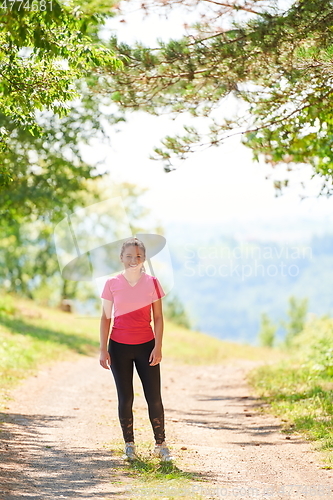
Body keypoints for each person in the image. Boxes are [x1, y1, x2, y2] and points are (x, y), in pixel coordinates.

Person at [99, 236, 173, 462]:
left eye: (138, 256)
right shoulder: (112, 284)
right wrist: (103, 349)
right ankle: (129, 445)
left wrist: (158, 346)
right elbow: (105, 318)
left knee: (154, 397)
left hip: (146, 347)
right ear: (121, 258)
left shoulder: (152, 282)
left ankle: (160, 444)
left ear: (144, 259)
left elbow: (158, 317)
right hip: (119, 347)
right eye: (129, 256)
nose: (134, 260)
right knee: (126, 398)